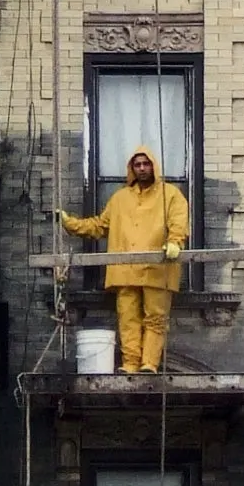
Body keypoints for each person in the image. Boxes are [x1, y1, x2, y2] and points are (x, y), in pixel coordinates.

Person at [57, 146, 190, 374]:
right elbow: (100, 225)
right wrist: (71, 224)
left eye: (145, 164)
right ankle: (130, 365)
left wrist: (175, 242)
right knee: (127, 320)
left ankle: (149, 364)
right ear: (132, 168)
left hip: (157, 269)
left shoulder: (170, 194)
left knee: (155, 318)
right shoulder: (119, 198)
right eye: (137, 165)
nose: (142, 168)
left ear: (154, 166)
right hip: (125, 270)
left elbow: (179, 221)